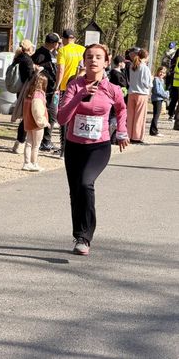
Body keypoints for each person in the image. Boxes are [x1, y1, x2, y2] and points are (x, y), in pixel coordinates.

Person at [57, 44, 129, 256]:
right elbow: (61, 118)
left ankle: (85, 237)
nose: (93, 60)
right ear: (84, 61)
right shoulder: (74, 86)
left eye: (98, 57)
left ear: (106, 62)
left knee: (85, 183)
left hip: (99, 147)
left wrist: (122, 130)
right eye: (89, 57)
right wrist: (80, 95)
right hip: (74, 146)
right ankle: (79, 235)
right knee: (75, 191)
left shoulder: (112, 88)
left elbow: (122, 109)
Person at [55, 29, 86, 157]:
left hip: (65, 87)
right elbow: (84, 67)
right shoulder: (82, 49)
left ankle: (64, 148)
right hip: (80, 86)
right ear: (74, 38)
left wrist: (57, 85)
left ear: (63, 39)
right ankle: (77, 145)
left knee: (64, 116)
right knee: (78, 115)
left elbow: (61, 70)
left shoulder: (62, 51)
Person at [32, 33, 60, 151]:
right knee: (50, 115)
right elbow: (36, 71)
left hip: (50, 89)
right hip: (44, 90)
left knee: (51, 115)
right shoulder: (40, 54)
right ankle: (44, 141)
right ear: (53, 43)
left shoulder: (51, 53)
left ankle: (45, 140)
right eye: (57, 43)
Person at [11, 39, 36, 154]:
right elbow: (30, 76)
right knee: (26, 117)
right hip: (26, 90)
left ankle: (19, 143)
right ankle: (20, 142)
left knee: (24, 116)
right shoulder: (27, 60)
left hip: (19, 90)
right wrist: (36, 70)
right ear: (29, 48)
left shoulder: (17, 58)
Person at [22, 73, 50, 171]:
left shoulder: (29, 93)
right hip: (36, 124)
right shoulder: (38, 95)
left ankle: (26, 163)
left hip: (28, 121)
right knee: (36, 145)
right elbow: (37, 111)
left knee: (29, 143)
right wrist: (44, 122)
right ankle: (34, 163)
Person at [127, 49, 151, 143]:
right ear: (146, 57)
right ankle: (137, 137)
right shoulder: (145, 68)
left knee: (130, 115)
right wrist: (151, 81)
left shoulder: (133, 66)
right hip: (142, 93)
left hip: (131, 92)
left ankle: (128, 134)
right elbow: (146, 83)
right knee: (140, 116)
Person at [150, 66, 169, 137]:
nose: (162, 74)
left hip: (160, 99)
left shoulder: (162, 80)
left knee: (156, 115)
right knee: (156, 116)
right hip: (156, 99)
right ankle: (154, 131)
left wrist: (166, 93)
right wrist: (165, 95)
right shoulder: (156, 80)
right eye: (161, 72)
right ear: (158, 71)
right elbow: (157, 91)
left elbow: (162, 90)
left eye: (163, 73)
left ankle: (152, 130)